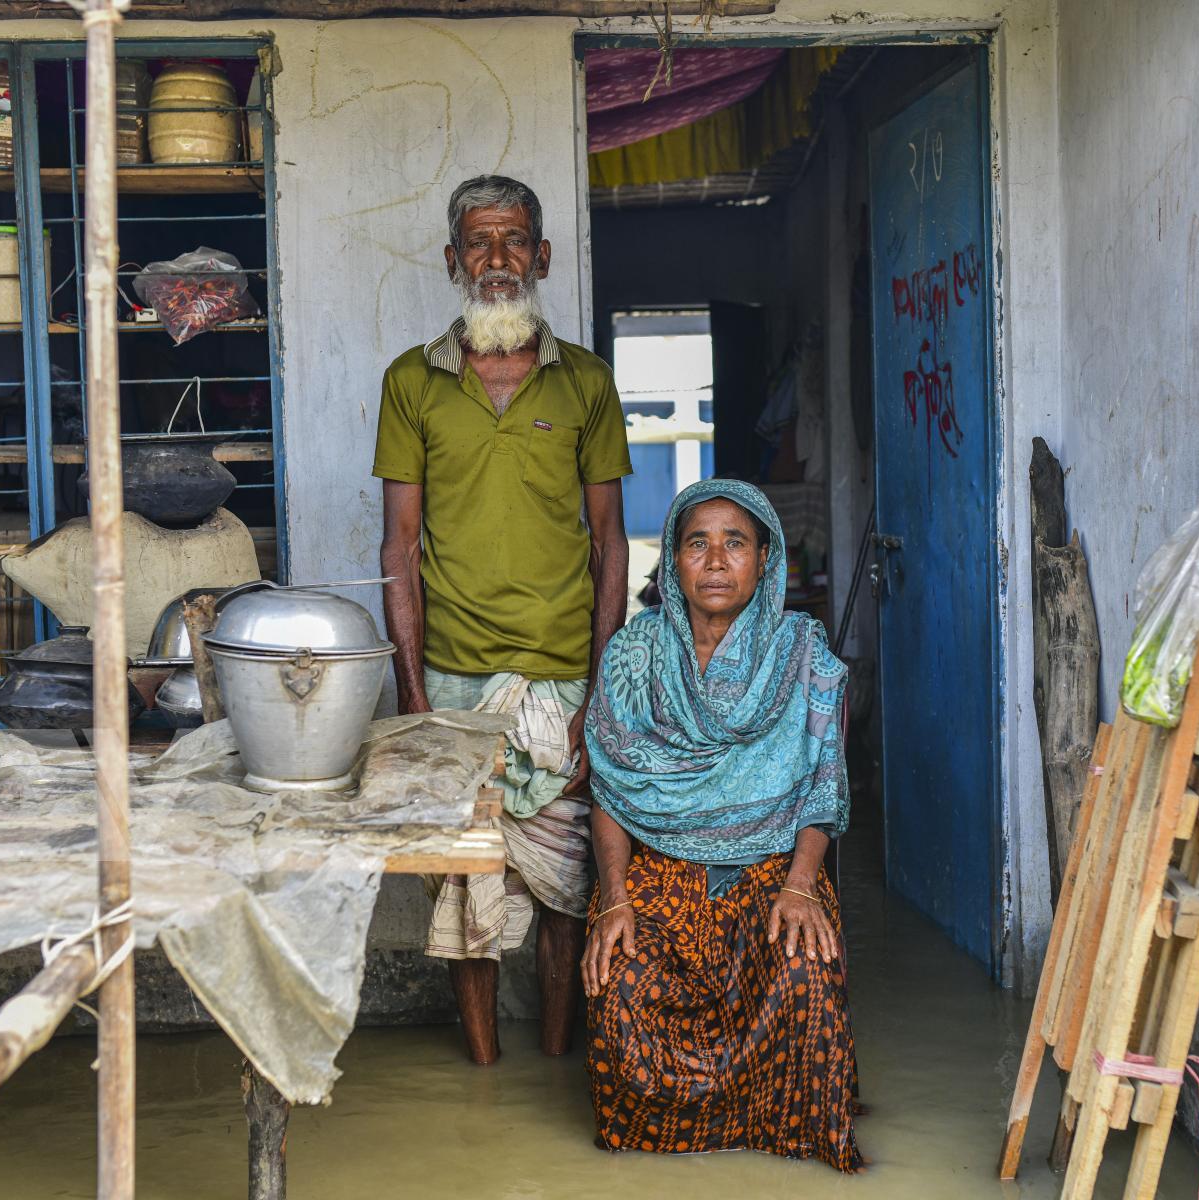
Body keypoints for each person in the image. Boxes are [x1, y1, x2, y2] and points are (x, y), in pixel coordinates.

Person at [374, 175, 631, 1064]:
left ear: (542, 256)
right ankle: (484, 1070)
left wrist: (601, 692)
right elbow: (397, 551)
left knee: (565, 887)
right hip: (451, 680)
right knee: (466, 889)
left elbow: (611, 546)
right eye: (478, 243)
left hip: (563, 677)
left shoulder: (588, 382)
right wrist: (412, 701)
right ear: (452, 260)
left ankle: (558, 1057)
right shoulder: (411, 382)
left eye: (514, 240)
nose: (496, 260)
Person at [581, 478, 865, 1172]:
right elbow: (612, 790)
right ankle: (662, 1140)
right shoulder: (634, 654)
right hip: (658, 871)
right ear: (672, 561)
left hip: (776, 870)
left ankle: (788, 1132)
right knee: (618, 982)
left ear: (765, 559)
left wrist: (802, 886)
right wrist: (614, 896)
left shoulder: (804, 652)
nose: (714, 561)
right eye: (696, 544)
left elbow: (822, 788)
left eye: (735, 543)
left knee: (804, 974)